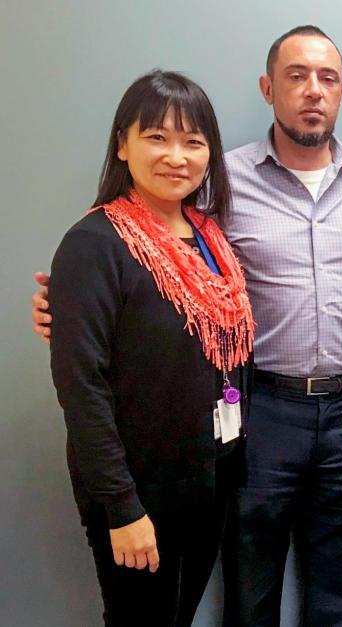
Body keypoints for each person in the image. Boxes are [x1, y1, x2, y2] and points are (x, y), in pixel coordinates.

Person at [33, 25, 342, 627]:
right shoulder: (218, 188)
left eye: (327, 78)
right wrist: (66, 310)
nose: (313, 91)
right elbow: (129, 295)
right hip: (260, 412)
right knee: (249, 585)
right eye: (296, 76)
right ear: (268, 88)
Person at [47, 70, 254, 626]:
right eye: (157, 137)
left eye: (193, 141)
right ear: (123, 143)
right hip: (139, 492)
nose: (176, 156)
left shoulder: (209, 236)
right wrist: (122, 507)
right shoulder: (95, 244)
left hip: (207, 478)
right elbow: (80, 386)